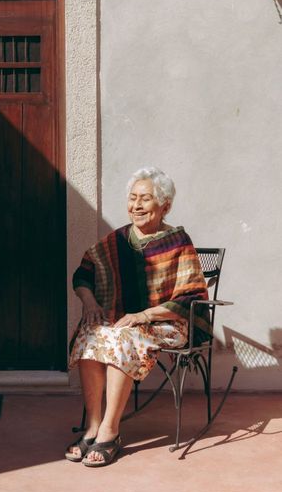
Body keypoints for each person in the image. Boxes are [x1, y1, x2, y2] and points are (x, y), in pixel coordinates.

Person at [65, 166, 209, 467]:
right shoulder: (116, 241)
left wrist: (143, 315)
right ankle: (92, 425)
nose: (137, 206)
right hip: (125, 321)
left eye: (145, 199)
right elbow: (84, 272)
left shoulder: (178, 241)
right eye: (133, 198)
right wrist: (89, 301)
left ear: (164, 205)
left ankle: (110, 431)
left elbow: (191, 295)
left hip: (167, 323)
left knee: (122, 336)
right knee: (91, 334)